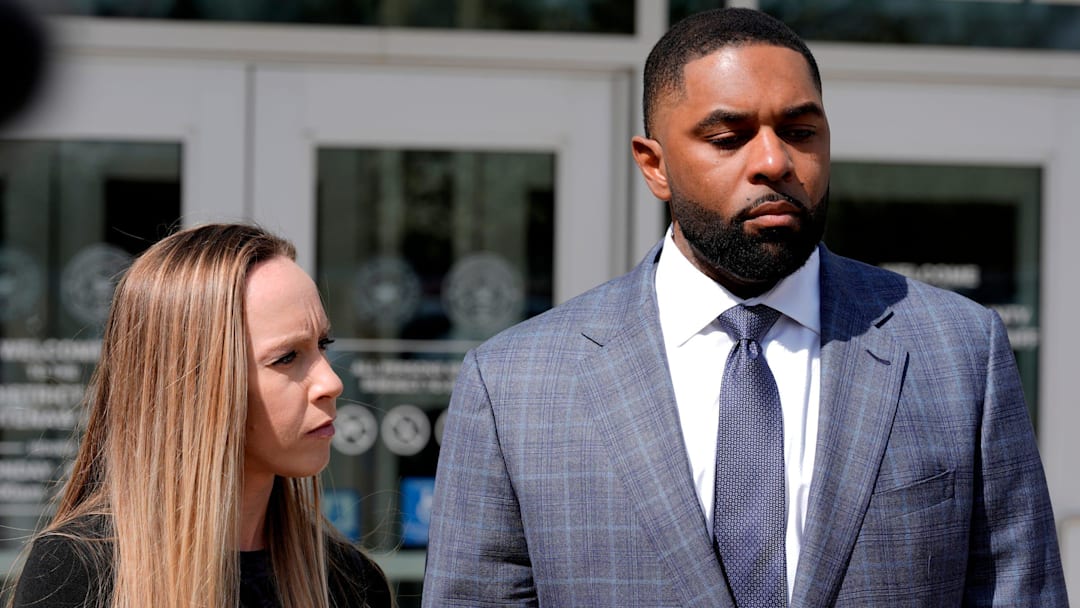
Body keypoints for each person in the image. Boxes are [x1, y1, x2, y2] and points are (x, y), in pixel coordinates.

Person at [422, 8, 1067, 607]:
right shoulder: (515, 383)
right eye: (729, 137)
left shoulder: (956, 350)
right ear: (655, 165)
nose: (774, 161)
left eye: (800, 131)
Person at [8, 224, 393, 608]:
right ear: (190, 384)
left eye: (323, 345)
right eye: (287, 357)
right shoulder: (75, 574)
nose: (331, 381)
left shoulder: (349, 584)